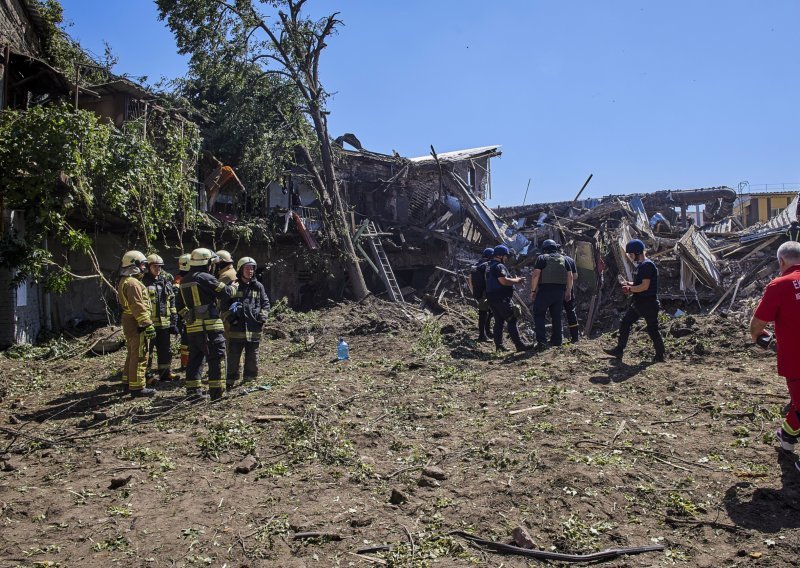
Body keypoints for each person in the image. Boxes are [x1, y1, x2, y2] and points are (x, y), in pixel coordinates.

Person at [749, 241, 800, 458]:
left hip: (796, 360)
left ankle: (787, 438)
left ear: (781, 261)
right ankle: (787, 437)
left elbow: (757, 324)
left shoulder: (779, 286)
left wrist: (758, 336)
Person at [176, 248, 237, 400]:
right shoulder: (207, 278)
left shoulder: (183, 281)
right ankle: (217, 394)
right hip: (211, 327)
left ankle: (193, 393)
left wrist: (189, 317)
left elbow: (179, 306)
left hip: (192, 329)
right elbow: (226, 293)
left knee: (195, 359)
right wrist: (235, 287)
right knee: (216, 358)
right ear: (207, 263)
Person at [603, 239, 666, 362]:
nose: (631, 257)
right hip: (643, 303)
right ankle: (621, 350)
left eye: (631, 254)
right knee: (630, 324)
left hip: (647, 303)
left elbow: (644, 286)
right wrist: (629, 283)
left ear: (637, 252)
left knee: (647, 328)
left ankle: (659, 354)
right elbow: (639, 283)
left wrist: (630, 289)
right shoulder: (642, 266)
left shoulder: (646, 266)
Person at [223, 257, 270, 388]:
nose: (250, 271)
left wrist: (262, 318)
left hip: (253, 328)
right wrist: (231, 319)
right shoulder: (233, 286)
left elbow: (265, 304)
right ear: (240, 269)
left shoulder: (258, 286)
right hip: (236, 329)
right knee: (233, 356)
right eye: (247, 268)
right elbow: (223, 305)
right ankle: (230, 380)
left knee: (252, 356)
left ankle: (250, 380)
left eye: (252, 268)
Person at [117, 250, 157, 397]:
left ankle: (128, 383)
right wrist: (146, 324)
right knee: (140, 353)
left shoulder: (125, 280)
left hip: (130, 320)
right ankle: (137, 387)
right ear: (134, 265)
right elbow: (138, 305)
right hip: (136, 322)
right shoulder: (133, 283)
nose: (144, 268)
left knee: (132, 353)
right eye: (141, 264)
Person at [485, 245, 531, 353]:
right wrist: (517, 281)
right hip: (501, 298)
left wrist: (513, 279)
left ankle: (499, 346)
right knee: (512, 319)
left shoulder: (489, 266)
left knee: (499, 321)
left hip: (492, 298)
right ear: (500, 255)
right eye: (505, 256)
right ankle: (519, 345)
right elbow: (503, 281)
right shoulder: (499, 266)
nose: (506, 258)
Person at [529, 239, 573, 348]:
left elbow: (535, 275)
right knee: (557, 316)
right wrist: (568, 291)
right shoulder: (564, 259)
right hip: (559, 292)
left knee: (539, 314)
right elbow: (570, 276)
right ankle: (557, 340)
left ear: (544, 249)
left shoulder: (542, 258)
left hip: (545, 290)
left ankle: (542, 342)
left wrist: (533, 291)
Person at [142, 254, 179, 383]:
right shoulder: (143, 282)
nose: (158, 269)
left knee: (165, 351)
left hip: (164, 325)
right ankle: (147, 376)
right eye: (155, 266)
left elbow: (172, 301)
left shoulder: (165, 282)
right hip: (149, 324)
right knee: (148, 353)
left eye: (159, 266)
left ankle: (165, 373)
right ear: (148, 267)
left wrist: (174, 321)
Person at [469, 247, 495, 342]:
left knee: (487, 313)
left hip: (479, 293)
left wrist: (474, 292)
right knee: (484, 314)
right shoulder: (487, 265)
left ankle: (487, 331)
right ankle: (482, 335)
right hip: (485, 293)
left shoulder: (476, 265)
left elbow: (470, 279)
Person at [559, 244, 581, 343]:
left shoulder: (554, 259)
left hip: (557, 290)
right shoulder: (570, 260)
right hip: (569, 289)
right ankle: (575, 337)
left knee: (556, 313)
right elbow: (575, 276)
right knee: (571, 312)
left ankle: (558, 337)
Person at [173, 253, 191, 370]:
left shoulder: (178, 278)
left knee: (186, 341)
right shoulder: (182, 280)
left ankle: (186, 363)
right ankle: (186, 363)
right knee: (187, 341)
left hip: (182, 314)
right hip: (186, 315)